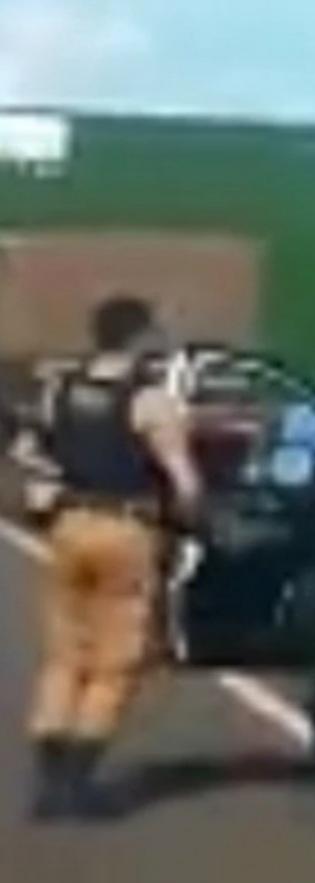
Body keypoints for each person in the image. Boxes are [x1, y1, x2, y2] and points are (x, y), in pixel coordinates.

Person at [23, 297, 202, 821]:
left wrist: (44, 497)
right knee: (115, 662)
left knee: (64, 656)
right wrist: (193, 518)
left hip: (67, 526)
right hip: (127, 529)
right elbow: (183, 477)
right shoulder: (150, 401)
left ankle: (49, 782)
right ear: (138, 336)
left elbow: (32, 451)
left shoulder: (61, 387)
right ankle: (78, 785)